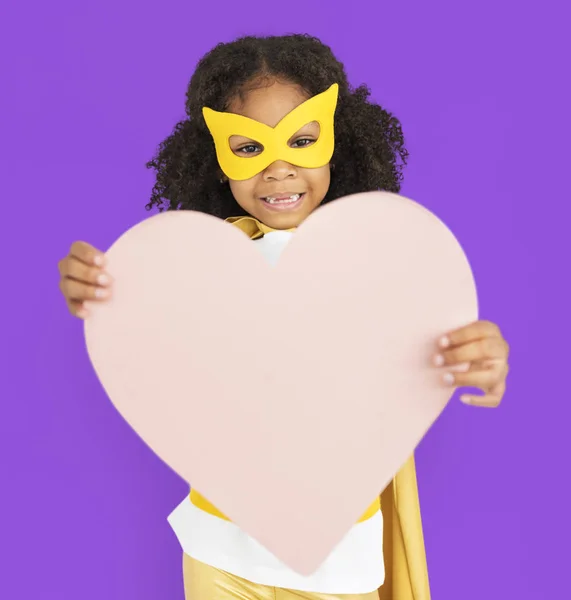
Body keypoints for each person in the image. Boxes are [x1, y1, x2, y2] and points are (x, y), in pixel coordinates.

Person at [57, 34, 510, 600]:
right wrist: (101, 292)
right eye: (248, 148)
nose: (278, 169)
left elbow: (429, 352)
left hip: (342, 563)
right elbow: (152, 341)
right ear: (216, 161)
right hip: (221, 551)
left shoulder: (381, 266)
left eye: (300, 140)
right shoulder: (199, 264)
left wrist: (480, 358)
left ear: (335, 145)